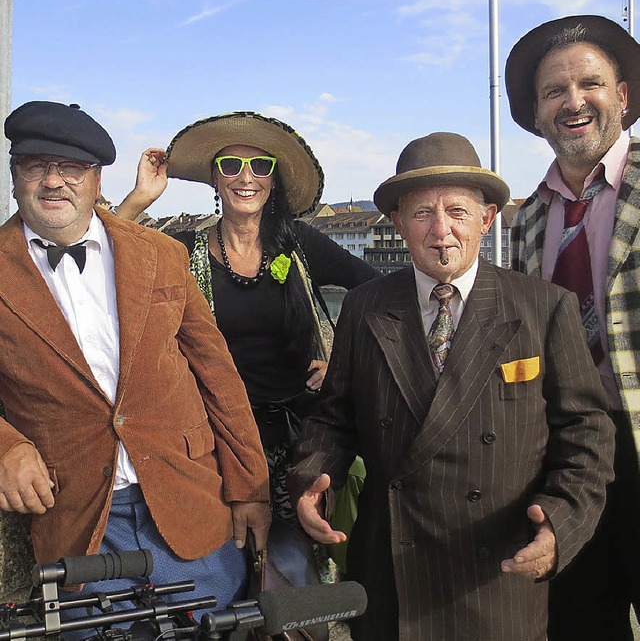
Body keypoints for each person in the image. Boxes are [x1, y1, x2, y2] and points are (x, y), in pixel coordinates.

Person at [287, 131, 615, 641]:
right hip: (394, 574)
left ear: (486, 219)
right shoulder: (365, 307)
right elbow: (333, 416)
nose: (441, 231)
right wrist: (312, 477)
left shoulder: (544, 307)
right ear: (397, 224)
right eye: (421, 214)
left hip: (497, 572)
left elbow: (587, 433)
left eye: (458, 212)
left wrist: (561, 519)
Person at [0, 101, 270, 616]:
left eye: (72, 168)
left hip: (191, 504)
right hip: (78, 523)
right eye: (37, 166)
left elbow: (218, 375)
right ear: (15, 177)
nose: (54, 181)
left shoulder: (160, 253)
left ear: (97, 180)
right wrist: (5, 446)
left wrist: (251, 486)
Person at [116, 111, 378, 525]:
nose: (245, 177)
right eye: (230, 166)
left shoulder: (299, 243)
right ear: (215, 179)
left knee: (299, 564)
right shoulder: (183, 250)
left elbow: (376, 294)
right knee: (226, 558)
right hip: (216, 438)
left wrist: (342, 365)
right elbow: (110, 257)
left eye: (260, 166)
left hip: (300, 435)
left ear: (272, 179)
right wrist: (140, 198)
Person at [506, 15, 640, 640]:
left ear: (622, 95)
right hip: (572, 453)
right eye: (554, 92)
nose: (573, 101)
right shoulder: (530, 217)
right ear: (536, 113)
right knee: (584, 618)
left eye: (590, 83)